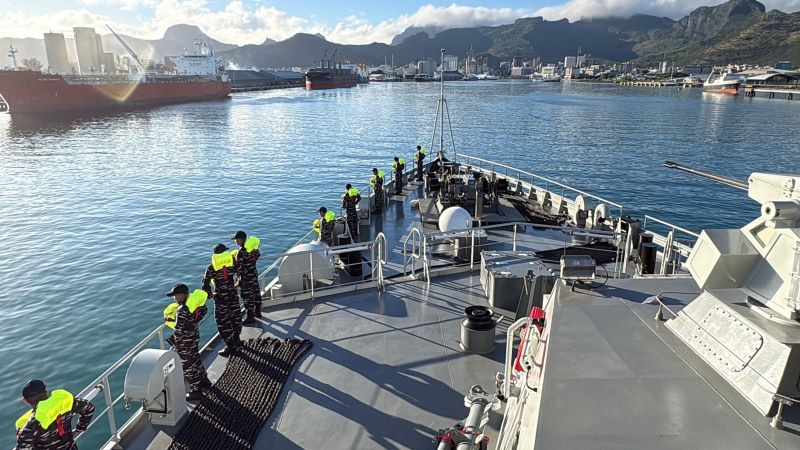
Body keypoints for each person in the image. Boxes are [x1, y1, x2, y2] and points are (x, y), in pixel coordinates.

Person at [15, 379, 95, 450]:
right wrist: (78, 430)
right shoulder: (67, 403)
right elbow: (89, 408)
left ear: (25, 400)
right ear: (45, 392)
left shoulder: (31, 425)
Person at [164, 284, 212, 402]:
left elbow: (179, 330)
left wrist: (174, 341)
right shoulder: (192, 305)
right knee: (195, 359)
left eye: (175, 295)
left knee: (187, 366)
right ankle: (204, 381)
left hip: (186, 342)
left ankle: (196, 391)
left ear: (182, 295)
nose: (174, 298)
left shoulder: (181, 310)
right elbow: (203, 311)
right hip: (194, 337)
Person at [202, 243, 243, 357]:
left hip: (221, 298)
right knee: (236, 317)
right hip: (233, 295)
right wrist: (238, 283)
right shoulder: (232, 262)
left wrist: (211, 295)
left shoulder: (211, 267)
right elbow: (240, 272)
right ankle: (237, 340)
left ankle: (230, 346)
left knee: (222, 322)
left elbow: (205, 284)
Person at [232, 231, 261, 325]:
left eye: (236, 239)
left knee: (247, 297)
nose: (236, 241)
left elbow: (238, 268)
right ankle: (258, 312)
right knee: (256, 293)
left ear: (241, 240)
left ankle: (250, 317)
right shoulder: (253, 248)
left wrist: (237, 280)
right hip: (254, 275)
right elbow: (257, 256)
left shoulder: (241, 252)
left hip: (245, 279)